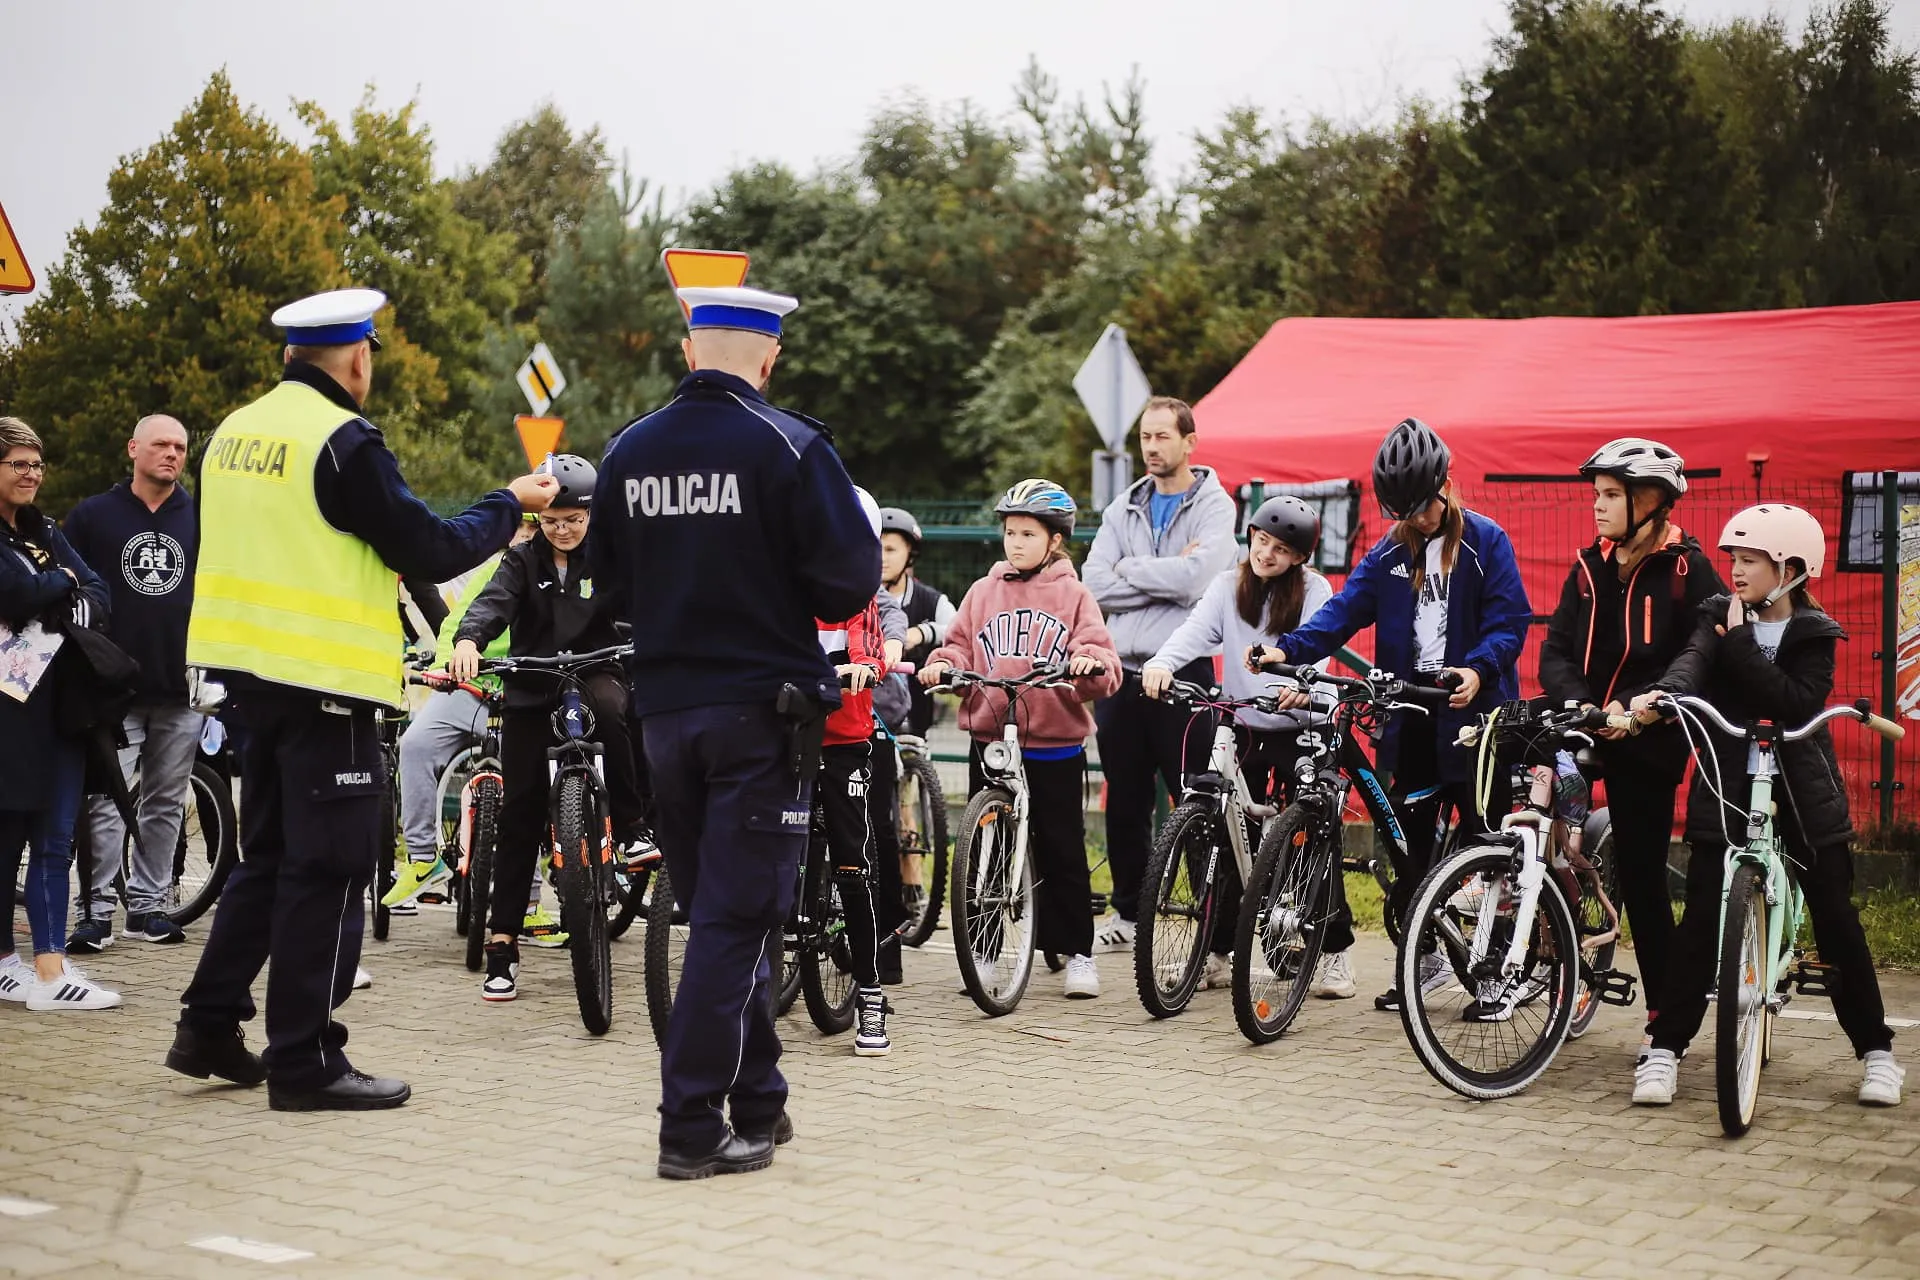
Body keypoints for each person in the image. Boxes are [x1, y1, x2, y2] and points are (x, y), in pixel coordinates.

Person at [168, 289, 556, 1111]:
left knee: (266, 860)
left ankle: (206, 1024)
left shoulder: (234, 432)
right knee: (331, 872)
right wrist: (509, 505)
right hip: (326, 687)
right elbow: (426, 543)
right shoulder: (341, 440)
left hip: (248, 680)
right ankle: (304, 1061)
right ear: (357, 359)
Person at [591, 284, 878, 1180]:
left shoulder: (628, 450)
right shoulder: (790, 443)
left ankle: (759, 1098)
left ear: (687, 349)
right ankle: (689, 1125)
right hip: (759, 714)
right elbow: (849, 583)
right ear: (770, 356)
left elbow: (608, 585)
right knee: (735, 919)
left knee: (722, 911)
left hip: (665, 715)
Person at [1249, 417, 1530, 1011]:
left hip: (1474, 715)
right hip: (1410, 714)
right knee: (1410, 846)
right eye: (1404, 512)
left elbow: (1509, 624)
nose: (1418, 520)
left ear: (1447, 485)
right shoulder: (1391, 552)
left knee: (1487, 843)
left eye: (1424, 508)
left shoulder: (1487, 542)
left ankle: (1500, 973)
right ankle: (1424, 964)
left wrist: (1478, 669)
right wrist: (1286, 649)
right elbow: (1342, 614)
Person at [1630, 504, 1902, 1109]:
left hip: (1802, 787)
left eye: (1750, 560)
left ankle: (1878, 1052)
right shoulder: (1716, 618)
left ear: (1792, 569)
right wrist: (1664, 696)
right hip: (1729, 777)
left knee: (1835, 914)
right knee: (1701, 912)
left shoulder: (1815, 634)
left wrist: (1743, 644)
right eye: (1733, 559)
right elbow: (1693, 661)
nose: (1736, 571)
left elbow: (1796, 701)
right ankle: (1665, 1050)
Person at [1538, 438, 1724, 1052]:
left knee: (1643, 880)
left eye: (1611, 496)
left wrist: (1642, 707)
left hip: (1649, 737)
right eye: (1597, 495)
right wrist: (1583, 704)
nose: (1597, 507)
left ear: (1650, 502)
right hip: (1584, 725)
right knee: (1531, 840)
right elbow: (1555, 650)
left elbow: (1700, 652)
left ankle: (1664, 1018)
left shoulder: (1685, 569)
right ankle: (1537, 971)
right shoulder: (1588, 565)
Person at [447, 454, 647, 1003]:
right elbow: (491, 605)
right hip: (532, 681)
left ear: (591, 516)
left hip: (595, 669)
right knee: (520, 812)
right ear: (537, 518)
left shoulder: (610, 557)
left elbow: (647, 602)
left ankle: (631, 827)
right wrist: (469, 641)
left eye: (573, 519)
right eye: (551, 519)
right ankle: (503, 945)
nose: (562, 529)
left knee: (616, 711)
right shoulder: (519, 561)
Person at [1141, 495, 1350, 996]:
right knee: (1219, 830)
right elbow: (1193, 632)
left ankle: (1336, 952)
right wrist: (1162, 663)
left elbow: (1318, 648)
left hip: (1302, 723)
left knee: (1316, 832)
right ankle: (1215, 952)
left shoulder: (1313, 590)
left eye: (1281, 548)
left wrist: (1306, 685)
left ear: (1299, 557)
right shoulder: (1226, 586)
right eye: (1261, 540)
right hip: (1243, 722)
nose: (1267, 554)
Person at [922, 479, 1121, 998]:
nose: (1015, 542)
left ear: (1055, 540)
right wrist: (943, 665)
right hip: (991, 737)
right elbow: (959, 645)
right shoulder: (983, 592)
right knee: (985, 844)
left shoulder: (1074, 595)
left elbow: (1104, 663)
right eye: (1010, 532)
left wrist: (1087, 662)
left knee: (1061, 847)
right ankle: (984, 951)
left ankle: (1079, 951)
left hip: (1053, 742)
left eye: (1028, 534)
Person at [1084, 396, 1238, 954]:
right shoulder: (1122, 507)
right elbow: (1094, 582)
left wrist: (1130, 569)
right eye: (1145, 437)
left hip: (1184, 672)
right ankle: (1127, 911)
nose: (1151, 447)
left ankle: (1216, 934)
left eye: (1162, 437)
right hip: (1122, 674)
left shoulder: (1217, 508)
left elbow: (1199, 581)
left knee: (1194, 800)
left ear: (1189, 442)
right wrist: (1158, 574)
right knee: (1124, 799)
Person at [61, 414, 201, 951]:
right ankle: (94, 912)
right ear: (133, 449)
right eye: (161, 444)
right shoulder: (94, 516)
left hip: (179, 684)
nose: (172, 454)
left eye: (180, 447)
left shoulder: (201, 518)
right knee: (104, 801)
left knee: (166, 802)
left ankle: (147, 908)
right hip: (112, 687)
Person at [0, 416, 121, 1011]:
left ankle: (50, 969)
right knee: (6, 838)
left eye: (36, 465)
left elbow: (99, 590)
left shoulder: (44, 528)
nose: (30, 474)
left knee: (55, 835)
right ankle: (6, 963)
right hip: (7, 712)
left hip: (61, 706)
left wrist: (67, 587)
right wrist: (61, 582)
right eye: (17, 464)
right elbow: (13, 593)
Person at [383, 516, 537, 911]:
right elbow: (456, 622)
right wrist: (448, 666)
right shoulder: (493, 568)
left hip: (528, 695)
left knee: (536, 778)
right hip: (473, 689)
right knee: (414, 744)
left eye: (534, 529)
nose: (525, 535)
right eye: (520, 526)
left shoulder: (562, 574)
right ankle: (422, 858)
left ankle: (534, 897)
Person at [815, 491, 894, 1053]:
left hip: (844, 738)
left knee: (852, 860)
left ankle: (868, 990)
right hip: (786, 736)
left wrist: (863, 669)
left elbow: (869, 648)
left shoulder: (858, 596)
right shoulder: (783, 589)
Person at [879, 506, 956, 740]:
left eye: (891, 549)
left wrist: (922, 632)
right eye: (876, 547)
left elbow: (958, 630)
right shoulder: (851, 595)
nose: (882, 557)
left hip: (915, 712)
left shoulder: (931, 601)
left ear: (910, 553)